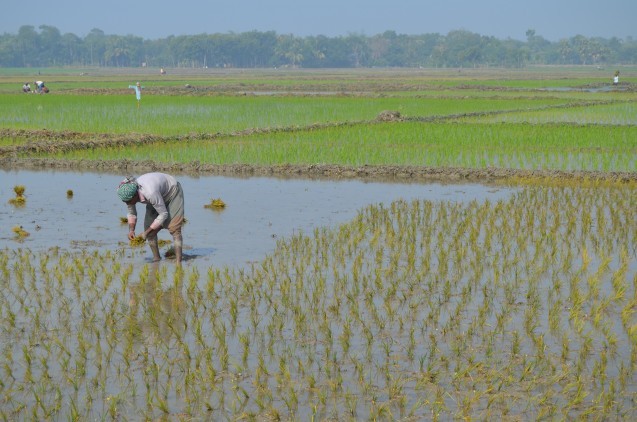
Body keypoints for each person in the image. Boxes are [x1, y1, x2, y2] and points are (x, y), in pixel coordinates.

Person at [117, 173, 185, 263]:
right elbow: (131, 212)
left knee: (175, 228)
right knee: (149, 227)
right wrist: (131, 230)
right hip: (157, 196)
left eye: (128, 201)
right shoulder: (128, 193)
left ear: (135, 195)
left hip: (172, 192)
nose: (127, 203)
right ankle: (156, 259)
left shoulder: (150, 193)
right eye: (124, 201)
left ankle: (178, 263)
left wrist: (146, 233)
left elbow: (163, 214)